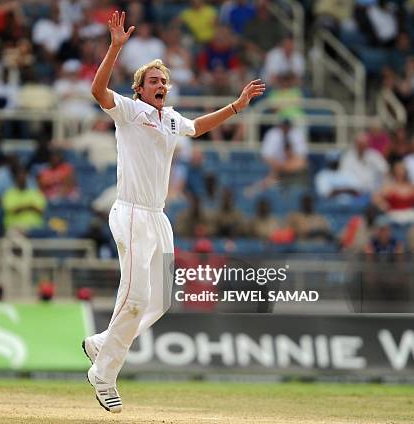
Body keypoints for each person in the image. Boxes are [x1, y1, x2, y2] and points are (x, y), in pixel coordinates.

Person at [82, 10, 264, 413]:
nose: (160, 85)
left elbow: (197, 128)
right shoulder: (130, 112)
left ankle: (101, 343)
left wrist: (235, 106)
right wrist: (114, 48)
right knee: (133, 299)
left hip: (158, 217)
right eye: (153, 81)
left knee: (160, 300)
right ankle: (104, 374)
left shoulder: (170, 120)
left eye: (164, 80)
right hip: (129, 212)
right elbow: (98, 92)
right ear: (140, 89)